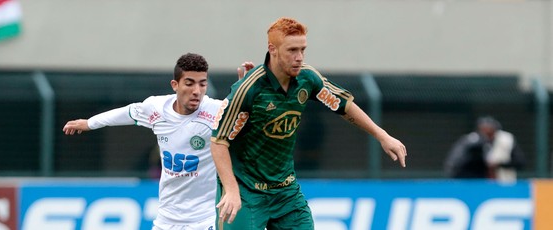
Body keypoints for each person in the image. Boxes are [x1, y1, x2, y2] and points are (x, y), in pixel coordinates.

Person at [210, 17, 408, 230]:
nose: (299, 57)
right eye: (292, 50)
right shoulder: (248, 89)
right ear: (272, 49)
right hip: (246, 190)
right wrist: (230, 189)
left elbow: (343, 105)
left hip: (285, 191)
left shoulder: (308, 78)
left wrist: (383, 136)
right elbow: (219, 141)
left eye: (303, 50)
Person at [63, 53, 248, 230]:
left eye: (202, 84)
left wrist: (247, 94)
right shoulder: (157, 109)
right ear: (175, 85)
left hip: (204, 217)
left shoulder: (216, 111)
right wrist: (89, 123)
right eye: (189, 83)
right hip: (167, 218)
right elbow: (127, 113)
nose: (196, 91)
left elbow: (252, 122)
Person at [444, 116, 525, 183]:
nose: (487, 134)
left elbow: (520, 162)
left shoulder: (506, 140)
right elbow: (456, 163)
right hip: (477, 183)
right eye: (484, 130)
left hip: (503, 182)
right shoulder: (471, 141)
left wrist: (498, 165)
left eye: (490, 131)